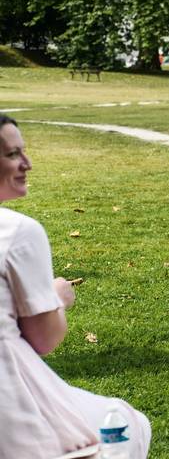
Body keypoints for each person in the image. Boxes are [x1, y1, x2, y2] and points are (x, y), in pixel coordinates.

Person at [0, 115, 151, 458]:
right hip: (10, 399)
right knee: (126, 424)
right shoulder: (18, 233)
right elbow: (44, 339)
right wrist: (57, 297)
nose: (28, 163)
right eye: (12, 155)